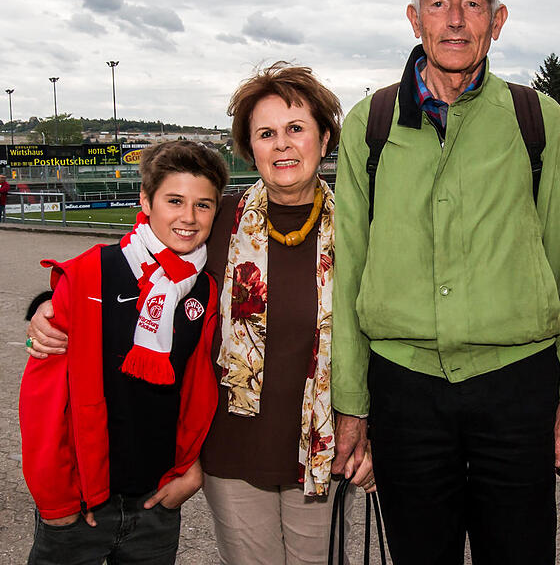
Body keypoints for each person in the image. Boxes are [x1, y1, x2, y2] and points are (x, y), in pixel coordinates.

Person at [26, 64, 373, 565]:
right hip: (230, 452)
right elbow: (130, 267)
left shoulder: (360, 228)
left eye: (296, 129)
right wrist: (47, 305)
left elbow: (385, 327)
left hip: (319, 452)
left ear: (324, 139)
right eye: (266, 133)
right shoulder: (217, 217)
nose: (282, 145)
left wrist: (370, 427)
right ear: (248, 146)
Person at [330, 0, 560, 565]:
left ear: (498, 23)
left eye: (474, 5)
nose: (455, 19)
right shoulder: (372, 121)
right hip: (405, 385)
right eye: (438, 2)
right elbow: (350, 268)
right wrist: (351, 403)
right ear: (414, 18)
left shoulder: (536, 117)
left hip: (515, 384)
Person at [20, 140, 227, 564]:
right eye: (174, 201)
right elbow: (42, 399)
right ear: (145, 201)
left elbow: (201, 391)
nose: (188, 218)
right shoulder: (91, 272)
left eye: (203, 205)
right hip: (79, 505)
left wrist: (191, 471)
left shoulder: (205, 290)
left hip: (157, 504)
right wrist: (55, 500)